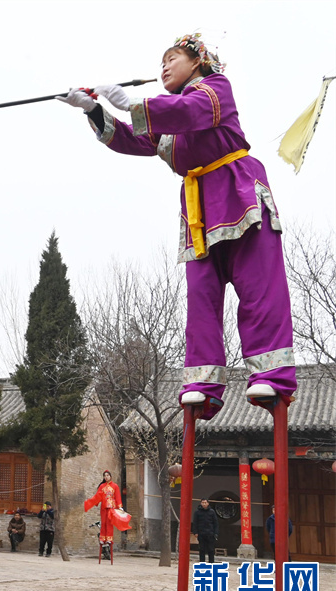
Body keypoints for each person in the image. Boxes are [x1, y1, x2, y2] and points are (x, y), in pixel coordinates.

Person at [57, 33, 295, 418]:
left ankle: (270, 372)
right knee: (200, 297)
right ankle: (202, 381)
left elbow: (186, 112)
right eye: (161, 62)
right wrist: (93, 110)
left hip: (238, 194)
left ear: (197, 61)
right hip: (198, 209)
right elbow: (132, 138)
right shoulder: (167, 117)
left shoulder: (214, 89)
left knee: (258, 286)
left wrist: (133, 101)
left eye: (172, 58)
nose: (164, 66)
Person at [84, 470, 127, 560]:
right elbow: (97, 496)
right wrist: (92, 503)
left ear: (110, 476)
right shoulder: (102, 486)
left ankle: (109, 538)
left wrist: (119, 506)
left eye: (107, 475)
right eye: (105, 475)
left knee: (109, 523)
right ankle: (102, 538)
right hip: (104, 507)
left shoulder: (115, 486)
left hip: (111, 507)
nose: (106, 477)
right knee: (103, 523)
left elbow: (118, 497)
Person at [191, 498, 219, 562]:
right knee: (202, 549)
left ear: (208, 503)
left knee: (211, 549)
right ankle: (202, 563)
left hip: (210, 533)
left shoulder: (212, 512)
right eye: (203, 502)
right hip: (201, 533)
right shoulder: (197, 512)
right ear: (201, 503)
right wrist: (195, 532)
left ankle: (211, 563)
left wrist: (216, 533)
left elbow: (216, 523)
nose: (204, 504)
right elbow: (195, 523)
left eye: (205, 503)